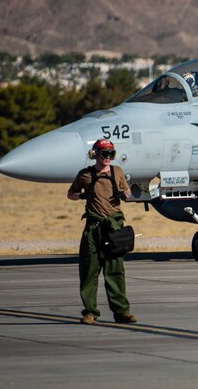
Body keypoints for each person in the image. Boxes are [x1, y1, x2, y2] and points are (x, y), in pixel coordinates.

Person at [66, 139, 137, 325]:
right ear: (95, 154)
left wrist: (124, 194)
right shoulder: (85, 175)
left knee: (115, 271)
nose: (107, 158)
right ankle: (90, 312)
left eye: (110, 154)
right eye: (104, 154)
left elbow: (128, 192)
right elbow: (70, 194)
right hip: (93, 228)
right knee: (89, 270)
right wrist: (82, 195)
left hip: (114, 228)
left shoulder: (117, 172)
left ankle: (121, 312)